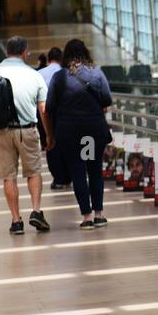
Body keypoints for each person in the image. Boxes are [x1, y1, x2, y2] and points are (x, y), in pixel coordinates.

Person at [0, 35, 52, 235]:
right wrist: (49, 135)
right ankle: (35, 210)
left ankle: (16, 221)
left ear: (7, 52)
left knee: (9, 177)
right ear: (25, 52)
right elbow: (43, 108)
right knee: (33, 172)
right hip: (27, 130)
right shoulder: (34, 74)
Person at [45, 38, 112, 229]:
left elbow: (49, 107)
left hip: (69, 132)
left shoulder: (59, 77)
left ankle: (87, 217)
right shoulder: (96, 74)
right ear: (86, 53)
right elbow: (106, 99)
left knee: (77, 172)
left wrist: (50, 134)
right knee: (93, 170)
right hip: (90, 131)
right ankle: (99, 214)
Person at [38, 47, 70, 190]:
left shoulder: (39, 73)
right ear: (61, 58)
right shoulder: (67, 72)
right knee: (68, 144)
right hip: (67, 113)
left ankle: (58, 179)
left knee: (50, 144)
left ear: (49, 58)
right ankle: (70, 176)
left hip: (46, 113)